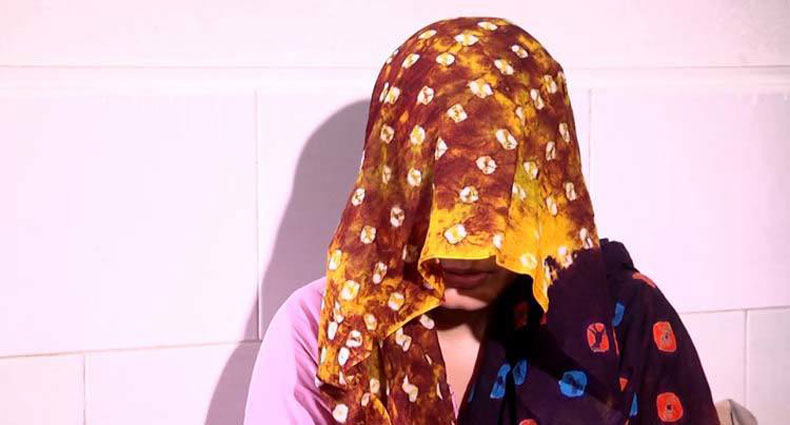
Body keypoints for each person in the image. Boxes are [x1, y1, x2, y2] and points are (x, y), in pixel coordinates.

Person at [244, 16, 721, 425]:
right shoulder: (325, 333)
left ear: (544, 184)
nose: (460, 243)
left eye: (491, 197)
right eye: (434, 192)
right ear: (389, 185)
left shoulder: (623, 320)